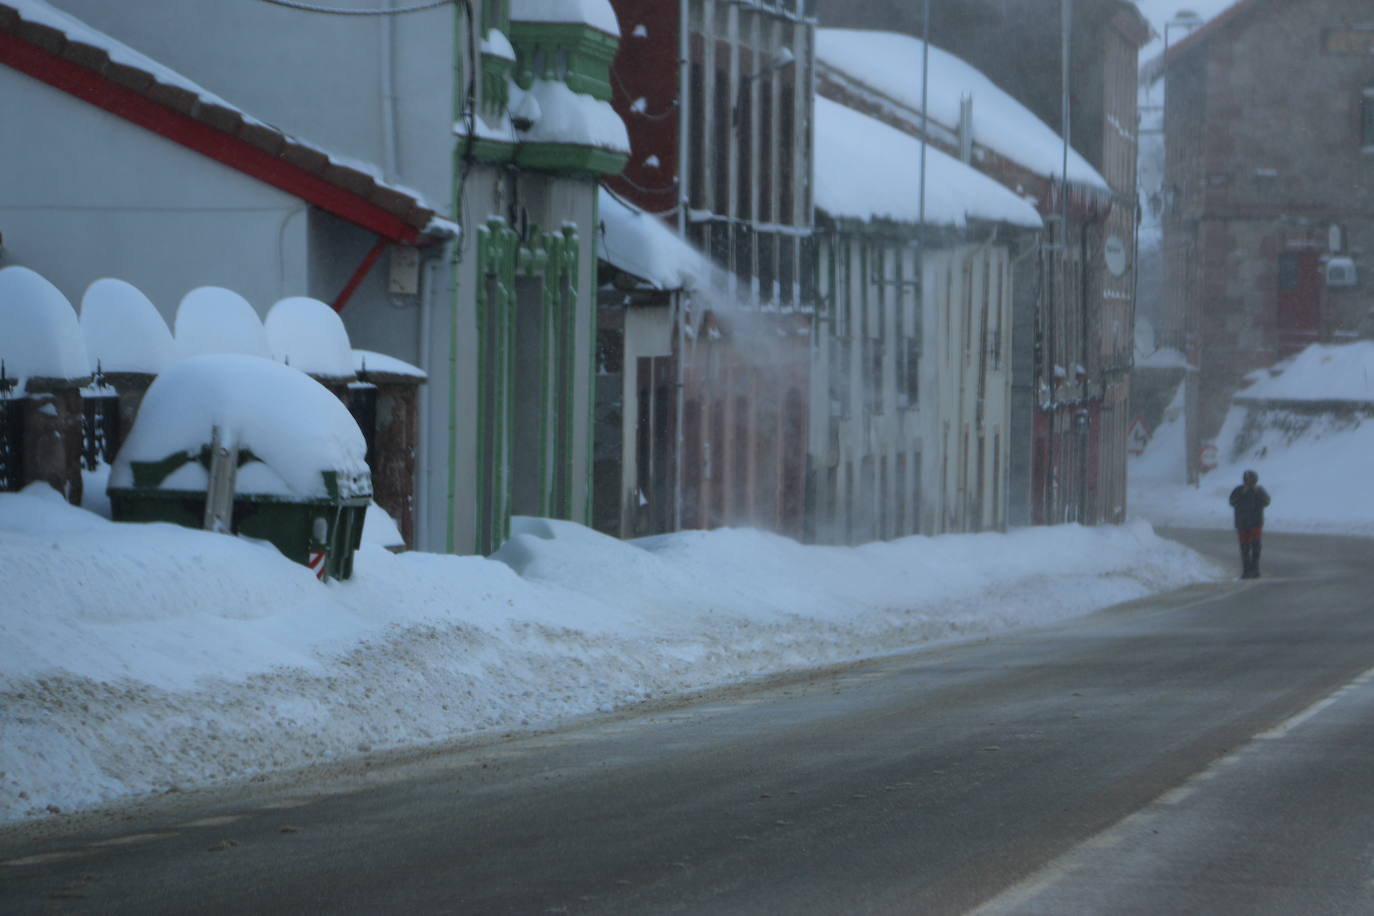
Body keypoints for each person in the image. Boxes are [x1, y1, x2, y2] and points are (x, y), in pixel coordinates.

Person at [1229, 470, 1271, 579]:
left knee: (1256, 546)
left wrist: (1257, 492)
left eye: (1251, 480)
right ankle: (1246, 570)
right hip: (1242, 523)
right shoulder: (1238, 490)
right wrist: (1242, 493)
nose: (1249, 482)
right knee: (1244, 547)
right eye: (1247, 480)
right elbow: (1232, 502)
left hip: (1256, 523)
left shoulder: (1259, 490)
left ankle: (1255, 569)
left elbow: (1267, 502)